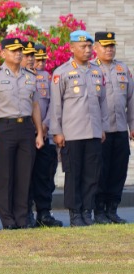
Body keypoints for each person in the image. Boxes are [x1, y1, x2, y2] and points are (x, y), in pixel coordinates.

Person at [0, 38, 44, 229]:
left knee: (24, 175)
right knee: (6, 175)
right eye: (13, 50)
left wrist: (39, 133)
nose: (18, 54)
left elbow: (35, 106)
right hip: (4, 128)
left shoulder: (30, 76)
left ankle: (22, 217)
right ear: (3, 53)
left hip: (25, 128)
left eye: (20, 51)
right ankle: (7, 219)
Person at [49, 30, 109, 227]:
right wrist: (57, 131)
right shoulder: (62, 73)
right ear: (72, 48)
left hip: (93, 131)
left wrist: (102, 127)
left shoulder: (96, 71)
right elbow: (56, 106)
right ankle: (75, 214)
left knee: (92, 174)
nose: (88, 50)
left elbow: (103, 103)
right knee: (74, 174)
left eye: (90, 46)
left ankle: (87, 211)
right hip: (72, 133)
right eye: (83, 46)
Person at [90, 31, 131, 224]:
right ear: (96, 48)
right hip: (101, 131)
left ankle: (112, 210)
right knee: (101, 171)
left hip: (121, 129)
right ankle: (98, 211)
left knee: (118, 171)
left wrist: (133, 125)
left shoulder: (123, 68)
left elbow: (131, 100)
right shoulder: (90, 69)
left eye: (112, 46)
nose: (109, 49)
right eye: (105, 46)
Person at [27, 42, 63, 227]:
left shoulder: (47, 77)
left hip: (46, 135)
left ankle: (44, 213)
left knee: (45, 177)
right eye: (35, 58)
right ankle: (26, 213)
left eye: (41, 59)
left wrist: (46, 124)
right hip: (26, 134)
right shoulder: (24, 76)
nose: (38, 62)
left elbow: (54, 104)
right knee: (26, 176)